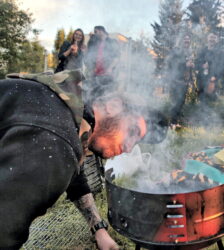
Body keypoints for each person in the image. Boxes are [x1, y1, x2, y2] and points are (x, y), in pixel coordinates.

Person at [0, 70, 167, 249]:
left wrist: (98, 229)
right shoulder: (55, 140)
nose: (129, 148)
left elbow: (76, 177)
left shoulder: (61, 107)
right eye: (133, 131)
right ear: (113, 106)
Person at [166, 34, 195, 128]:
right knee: (176, 103)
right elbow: (173, 64)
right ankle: (172, 123)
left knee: (181, 102)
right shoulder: (176, 50)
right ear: (181, 40)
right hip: (176, 81)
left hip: (184, 82)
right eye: (185, 39)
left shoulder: (189, 52)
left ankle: (176, 122)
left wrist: (191, 79)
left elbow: (188, 67)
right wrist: (185, 64)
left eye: (188, 39)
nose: (187, 41)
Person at [84, 26, 120, 99]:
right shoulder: (96, 42)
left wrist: (110, 68)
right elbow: (90, 56)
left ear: (101, 31)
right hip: (96, 75)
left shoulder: (112, 41)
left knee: (106, 96)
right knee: (94, 96)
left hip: (108, 75)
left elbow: (117, 57)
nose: (95, 33)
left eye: (96, 31)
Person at [195, 33, 224, 105]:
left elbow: (222, 66)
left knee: (211, 100)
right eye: (210, 37)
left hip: (212, 79)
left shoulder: (220, 52)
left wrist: (215, 77)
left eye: (214, 38)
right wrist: (202, 66)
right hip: (201, 79)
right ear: (207, 39)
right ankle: (201, 115)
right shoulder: (202, 51)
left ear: (217, 40)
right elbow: (196, 63)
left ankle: (211, 115)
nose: (212, 39)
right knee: (201, 100)